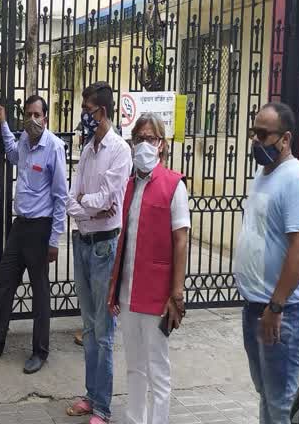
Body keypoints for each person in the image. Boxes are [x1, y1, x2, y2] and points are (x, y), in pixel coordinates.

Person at [0, 95, 67, 374]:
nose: (32, 119)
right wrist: (2, 123)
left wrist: (54, 240)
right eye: (28, 114)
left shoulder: (54, 148)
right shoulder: (24, 140)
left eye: (37, 114)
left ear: (46, 117)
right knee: (4, 281)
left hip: (40, 228)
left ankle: (40, 351)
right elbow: (11, 152)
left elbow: (61, 197)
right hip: (19, 226)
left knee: (40, 292)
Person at [234, 102, 299, 424]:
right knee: (266, 394)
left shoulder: (297, 180)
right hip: (256, 306)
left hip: (283, 313)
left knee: (281, 401)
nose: (256, 140)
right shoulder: (263, 173)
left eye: (263, 134)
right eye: (253, 133)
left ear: (285, 138)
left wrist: (276, 306)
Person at [107, 113, 190, 424]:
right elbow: (125, 238)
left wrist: (176, 294)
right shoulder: (130, 186)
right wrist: (114, 288)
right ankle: (134, 419)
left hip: (157, 297)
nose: (144, 144)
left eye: (150, 138)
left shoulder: (174, 185)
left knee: (157, 369)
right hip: (128, 293)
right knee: (134, 366)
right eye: (138, 139)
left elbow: (181, 240)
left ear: (162, 145)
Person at [66, 82, 132, 424]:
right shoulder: (89, 150)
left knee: (104, 331)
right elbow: (70, 197)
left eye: (87, 110)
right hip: (82, 242)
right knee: (89, 327)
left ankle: (103, 407)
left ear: (101, 112)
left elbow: (108, 199)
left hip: (106, 245)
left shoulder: (119, 150)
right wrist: (87, 207)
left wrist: (86, 206)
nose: (84, 116)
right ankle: (90, 396)